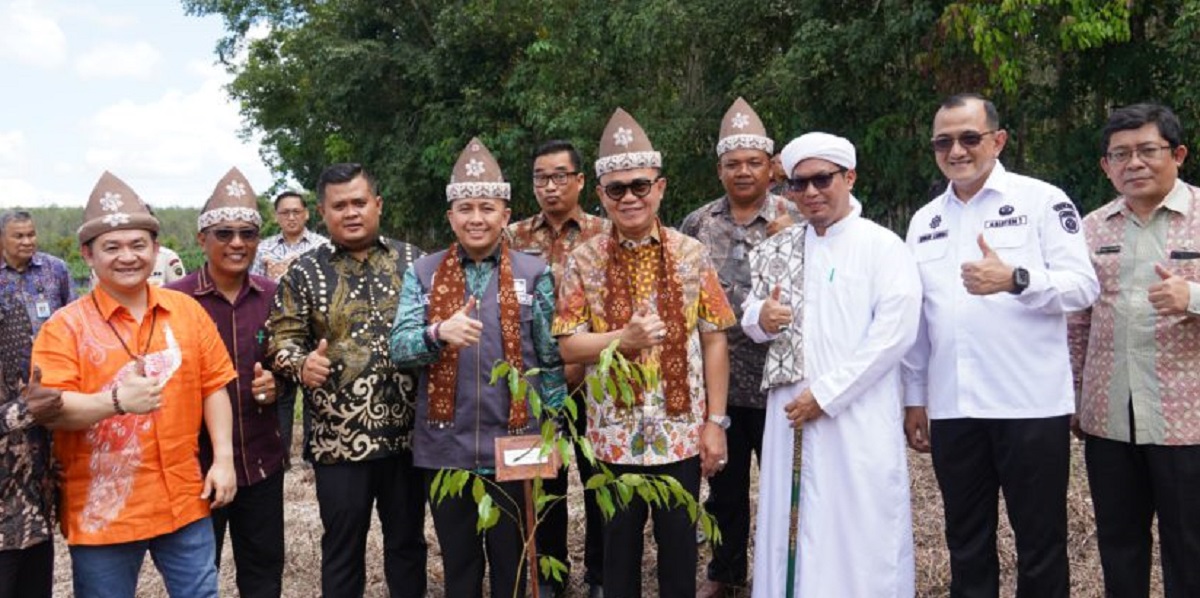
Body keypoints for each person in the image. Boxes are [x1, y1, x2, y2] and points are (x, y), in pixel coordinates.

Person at [902, 94, 1099, 597]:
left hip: (1028, 404)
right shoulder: (925, 220)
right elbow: (920, 321)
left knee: (1040, 541)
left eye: (970, 137)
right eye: (943, 141)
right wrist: (916, 396)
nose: (957, 150)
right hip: (954, 406)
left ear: (998, 140)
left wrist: (1017, 279)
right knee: (965, 540)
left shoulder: (1042, 200)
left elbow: (1082, 286)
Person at [554, 108, 735, 598]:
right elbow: (568, 343)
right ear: (601, 195)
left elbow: (715, 336)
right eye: (617, 189)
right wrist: (622, 340)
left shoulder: (691, 254)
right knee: (618, 558)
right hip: (611, 436)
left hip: (680, 433)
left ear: (660, 187)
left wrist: (715, 422)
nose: (629, 197)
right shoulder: (583, 260)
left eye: (640, 186)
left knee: (679, 554)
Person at [32, 171, 239, 598]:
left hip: (184, 497)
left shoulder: (187, 312)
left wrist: (223, 459)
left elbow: (214, 385)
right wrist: (114, 402)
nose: (127, 256)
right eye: (112, 247)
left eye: (138, 245)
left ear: (156, 249)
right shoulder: (63, 328)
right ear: (87, 254)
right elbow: (52, 409)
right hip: (104, 509)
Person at [742, 132, 920, 597]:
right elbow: (749, 315)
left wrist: (828, 394)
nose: (811, 192)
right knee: (790, 521)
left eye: (823, 179)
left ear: (850, 177)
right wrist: (760, 317)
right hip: (789, 412)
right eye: (798, 184)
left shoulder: (883, 247)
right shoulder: (780, 248)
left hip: (857, 414)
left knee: (861, 524)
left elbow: (895, 334)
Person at [391, 137, 566, 598]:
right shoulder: (424, 274)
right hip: (445, 447)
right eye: (465, 208)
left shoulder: (534, 273)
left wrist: (553, 429)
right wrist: (437, 334)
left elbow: (549, 360)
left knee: (515, 564)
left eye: (486, 208)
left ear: (505, 215)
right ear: (451, 217)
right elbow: (399, 348)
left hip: (518, 443)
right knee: (461, 567)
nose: (476, 218)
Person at [267, 163, 427, 598]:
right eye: (340, 205)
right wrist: (300, 364)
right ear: (323, 212)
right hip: (339, 442)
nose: (351, 212)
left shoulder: (415, 263)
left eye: (359, 202)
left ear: (377, 204)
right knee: (342, 548)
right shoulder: (303, 272)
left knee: (408, 544)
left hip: (410, 438)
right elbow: (280, 339)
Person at [1068, 102, 1200, 596]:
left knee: (1189, 547)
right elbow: (1077, 320)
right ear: (1105, 166)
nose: (1134, 163)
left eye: (1148, 150)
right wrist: (1075, 396)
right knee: (1119, 546)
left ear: (1178, 154)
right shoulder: (1092, 227)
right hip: (1109, 418)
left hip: (1188, 423)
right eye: (1119, 155)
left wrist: (1192, 297)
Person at [679, 97, 797, 598]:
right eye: (733, 164)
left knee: (781, 487)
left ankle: (783, 571)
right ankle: (725, 572)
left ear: (771, 168)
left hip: (783, 380)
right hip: (720, 383)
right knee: (724, 491)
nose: (743, 172)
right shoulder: (698, 224)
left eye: (753, 163)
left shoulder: (797, 216)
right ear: (720, 170)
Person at [166, 167, 287, 597]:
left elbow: (289, 365)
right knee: (198, 577)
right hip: (195, 467)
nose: (237, 243)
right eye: (224, 233)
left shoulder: (275, 296)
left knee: (263, 573)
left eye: (248, 234)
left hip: (261, 460)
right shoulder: (175, 299)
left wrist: (279, 386)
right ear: (202, 239)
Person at [507, 139, 610, 598]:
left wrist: (582, 363)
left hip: (598, 383)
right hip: (534, 386)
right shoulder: (512, 237)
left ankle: (601, 573)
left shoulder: (605, 233)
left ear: (580, 180)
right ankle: (548, 573)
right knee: (542, 480)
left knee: (597, 478)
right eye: (540, 178)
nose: (549, 187)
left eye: (559, 177)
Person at [0, 302, 62, 598]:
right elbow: (26, 407)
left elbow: (31, 391)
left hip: (30, 510)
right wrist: (20, 412)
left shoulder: (11, 309)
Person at [0, 210, 75, 341]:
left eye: (31, 235)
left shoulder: (56, 268)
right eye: (19, 236)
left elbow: (74, 314)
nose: (27, 242)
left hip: (54, 355)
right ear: (2, 239)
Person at [253, 189, 330, 281]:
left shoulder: (323, 246)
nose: (291, 218)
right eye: (285, 213)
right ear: (275, 216)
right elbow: (256, 284)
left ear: (306, 214)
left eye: (296, 212)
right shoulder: (262, 249)